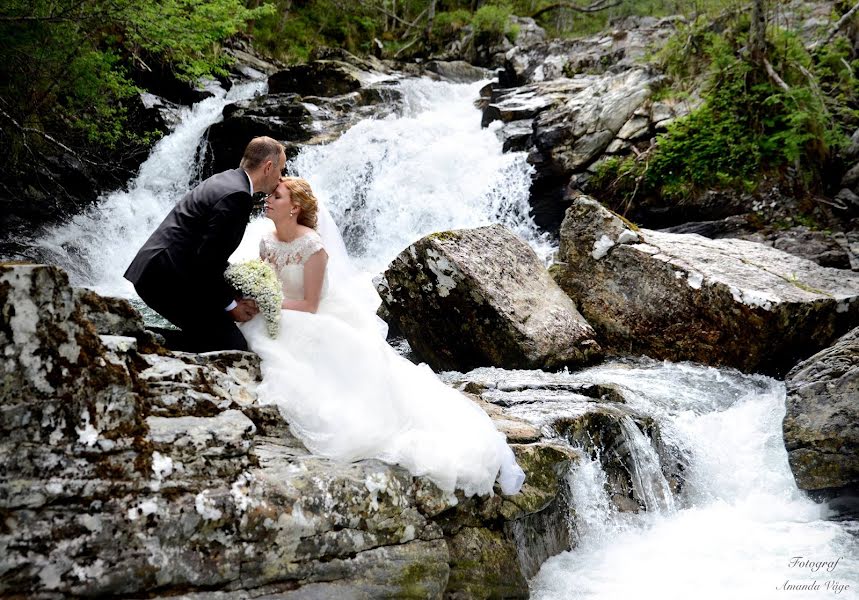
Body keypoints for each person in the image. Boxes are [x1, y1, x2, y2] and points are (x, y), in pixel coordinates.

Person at [239, 176, 526, 497]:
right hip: (283, 310)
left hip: (313, 316)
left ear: (293, 208)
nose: (268, 199)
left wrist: (270, 304)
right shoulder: (266, 241)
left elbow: (309, 305)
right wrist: (257, 296)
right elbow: (269, 283)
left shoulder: (313, 247)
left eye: (275, 196)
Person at [124, 136, 286, 352]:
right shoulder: (237, 197)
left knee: (209, 336)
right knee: (230, 346)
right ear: (268, 167)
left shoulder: (228, 180)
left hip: (164, 269)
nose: (281, 177)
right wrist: (231, 306)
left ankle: (136, 337)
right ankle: (129, 339)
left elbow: (209, 255)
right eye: (280, 170)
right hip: (165, 277)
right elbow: (208, 261)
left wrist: (235, 289)